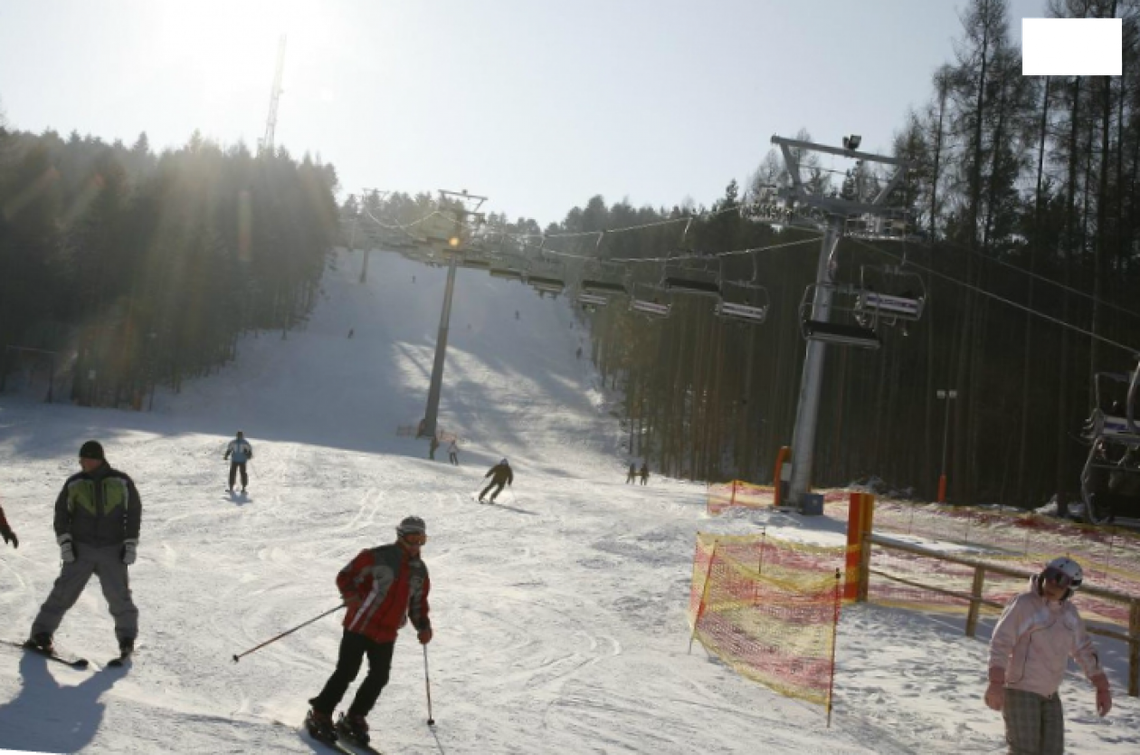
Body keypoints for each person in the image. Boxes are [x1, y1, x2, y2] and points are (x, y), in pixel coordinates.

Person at [306, 516, 432, 746]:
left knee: (379, 676)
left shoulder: (420, 572)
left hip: (387, 632)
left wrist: (423, 625)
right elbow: (346, 575)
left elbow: (417, 603)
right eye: (413, 538)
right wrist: (351, 595)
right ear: (401, 537)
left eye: (421, 539)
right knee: (347, 671)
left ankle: (355, 717)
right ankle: (321, 713)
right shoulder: (378, 556)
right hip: (361, 624)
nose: (416, 545)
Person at [985, 557, 1112, 754]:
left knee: (1052, 751)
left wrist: (1101, 686)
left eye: (1060, 582)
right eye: (1051, 577)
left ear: (1070, 588)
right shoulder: (1025, 604)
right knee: (1024, 750)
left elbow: (1083, 649)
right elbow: (1001, 642)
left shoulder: (1069, 614)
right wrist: (995, 682)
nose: (1052, 585)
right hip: (1021, 689)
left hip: (1050, 694)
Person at [28, 440, 141, 656]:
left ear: (96, 458)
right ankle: (41, 633)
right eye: (81, 459)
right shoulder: (74, 483)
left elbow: (133, 513)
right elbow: (61, 515)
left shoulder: (121, 481)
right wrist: (65, 542)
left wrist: (130, 543)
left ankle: (127, 638)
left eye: (85, 458)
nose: (82, 462)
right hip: (81, 550)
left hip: (112, 550)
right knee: (63, 593)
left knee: (119, 597)